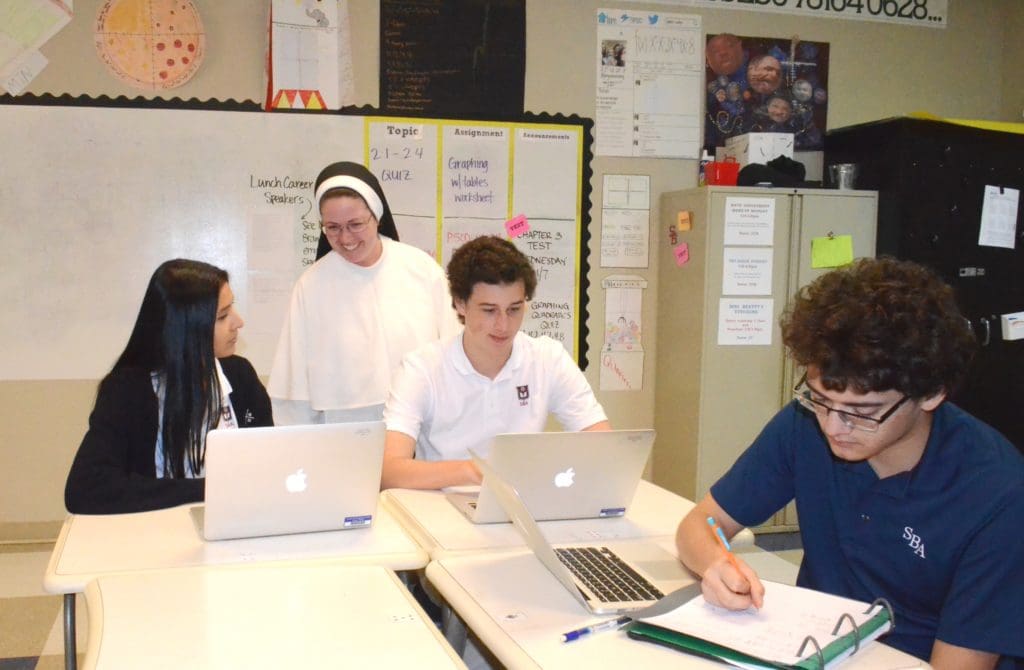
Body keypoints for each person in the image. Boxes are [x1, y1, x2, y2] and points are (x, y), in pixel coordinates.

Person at [674, 258, 1024, 670]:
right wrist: (715, 565)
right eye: (820, 399)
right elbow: (698, 526)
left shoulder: (998, 495)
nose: (834, 426)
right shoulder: (804, 425)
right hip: (811, 649)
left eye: (862, 411)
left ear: (930, 394)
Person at [381, 235, 609, 490]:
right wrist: (471, 470)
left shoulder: (548, 358)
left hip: (523, 502)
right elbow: (389, 471)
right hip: (441, 507)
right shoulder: (421, 368)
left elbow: (602, 443)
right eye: (489, 310)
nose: (503, 325)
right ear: (460, 303)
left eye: (514, 309)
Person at [65, 259, 273, 514]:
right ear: (185, 328)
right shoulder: (128, 390)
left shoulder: (239, 376)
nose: (238, 322)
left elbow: (267, 464)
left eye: (232, 309)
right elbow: (86, 489)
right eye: (222, 316)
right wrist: (210, 489)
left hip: (236, 523)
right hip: (154, 533)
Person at [268, 161, 460, 425]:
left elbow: (456, 351)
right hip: (343, 434)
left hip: (423, 425)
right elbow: (294, 391)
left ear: (377, 217)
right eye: (332, 227)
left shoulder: (422, 270)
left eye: (355, 224)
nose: (346, 238)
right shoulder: (311, 286)